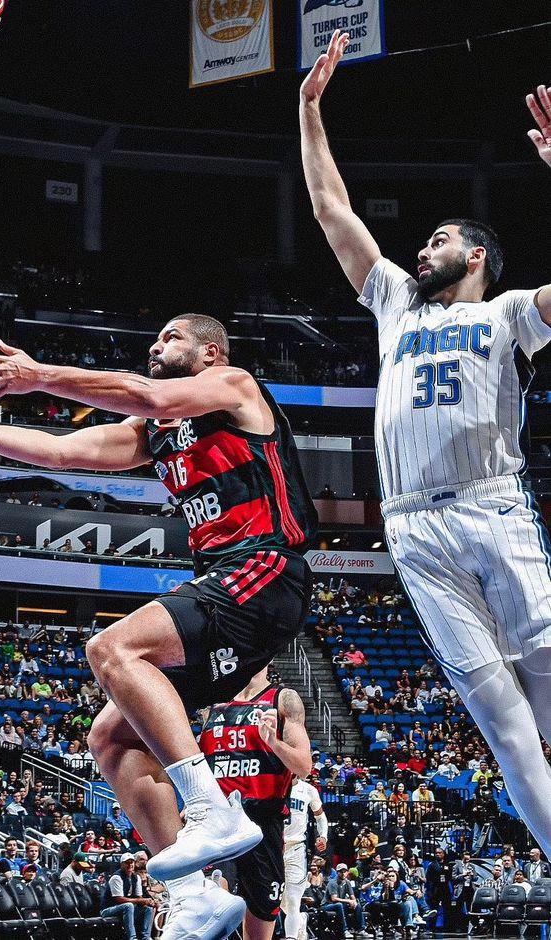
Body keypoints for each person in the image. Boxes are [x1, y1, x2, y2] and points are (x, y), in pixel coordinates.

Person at [0, 313, 318, 939]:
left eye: (170, 337)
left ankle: (211, 810)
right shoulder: (157, 433)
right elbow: (67, 450)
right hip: (229, 585)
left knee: (112, 648)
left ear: (209, 352)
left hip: (265, 568)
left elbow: (145, 392)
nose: (155, 344)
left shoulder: (235, 387)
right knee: (110, 740)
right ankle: (194, 894)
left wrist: (35, 376)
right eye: (152, 337)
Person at [301, 29, 551, 861]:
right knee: (505, 729)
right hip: (412, 530)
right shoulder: (395, 307)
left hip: (492, 507)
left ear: (477, 256)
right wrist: (310, 113)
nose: (423, 248)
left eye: (441, 239)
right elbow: (334, 213)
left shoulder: (507, 311)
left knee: (549, 697)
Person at [199, 670, 314, 940]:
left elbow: (304, 766)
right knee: (215, 897)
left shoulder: (283, 700)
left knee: (262, 918)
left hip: (264, 824)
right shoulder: (210, 703)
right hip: (220, 820)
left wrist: (273, 743)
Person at [281, 774, 328, 940]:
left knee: (293, 900)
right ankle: (301, 920)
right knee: (281, 903)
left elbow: (320, 817)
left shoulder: (308, 790)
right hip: (273, 848)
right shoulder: (272, 784)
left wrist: (323, 836)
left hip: (296, 849)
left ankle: (291, 937)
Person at [99, 853, 155, 940]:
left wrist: (147, 901)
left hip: (125, 908)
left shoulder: (136, 877)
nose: (130, 865)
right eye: (127, 863)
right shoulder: (116, 877)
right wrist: (141, 901)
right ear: (122, 864)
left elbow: (139, 897)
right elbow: (119, 900)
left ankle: (146, 937)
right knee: (128, 905)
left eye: (131, 862)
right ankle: (132, 938)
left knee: (148, 908)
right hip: (108, 910)